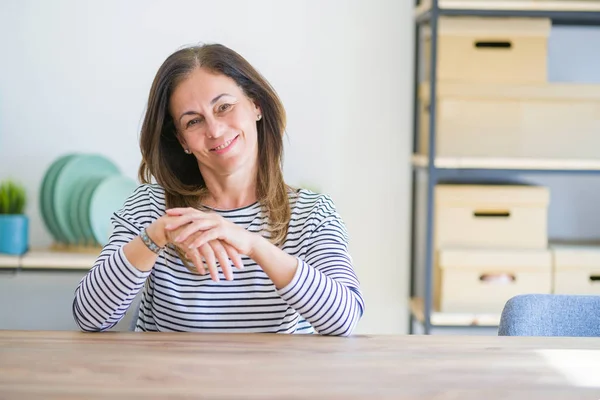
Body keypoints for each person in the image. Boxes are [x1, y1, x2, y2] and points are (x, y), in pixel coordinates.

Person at [72, 43, 364, 336]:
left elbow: (344, 319)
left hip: (276, 382)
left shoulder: (311, 212)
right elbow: (89, 316)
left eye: (224, 107)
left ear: (256, 105)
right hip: (169, 381)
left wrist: (252, 244)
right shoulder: (150, 207)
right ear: (182, 140)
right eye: (193, 121)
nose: (214, 130)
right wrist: (156, 236)